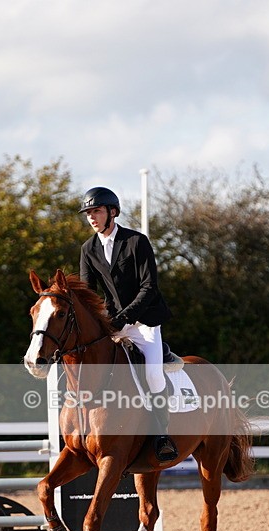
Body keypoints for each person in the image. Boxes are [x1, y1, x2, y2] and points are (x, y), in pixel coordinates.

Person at [78, 186, 178, 462]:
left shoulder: (136, 241)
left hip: (144, 320)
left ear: (113, 212)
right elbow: (88, 293)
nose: (91, 217)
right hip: (112, 323)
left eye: (96, 211)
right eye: (88, 213)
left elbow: (149, 286)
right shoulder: (89, 248)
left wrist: (126, 316)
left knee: (153, 375)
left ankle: (161, 434)